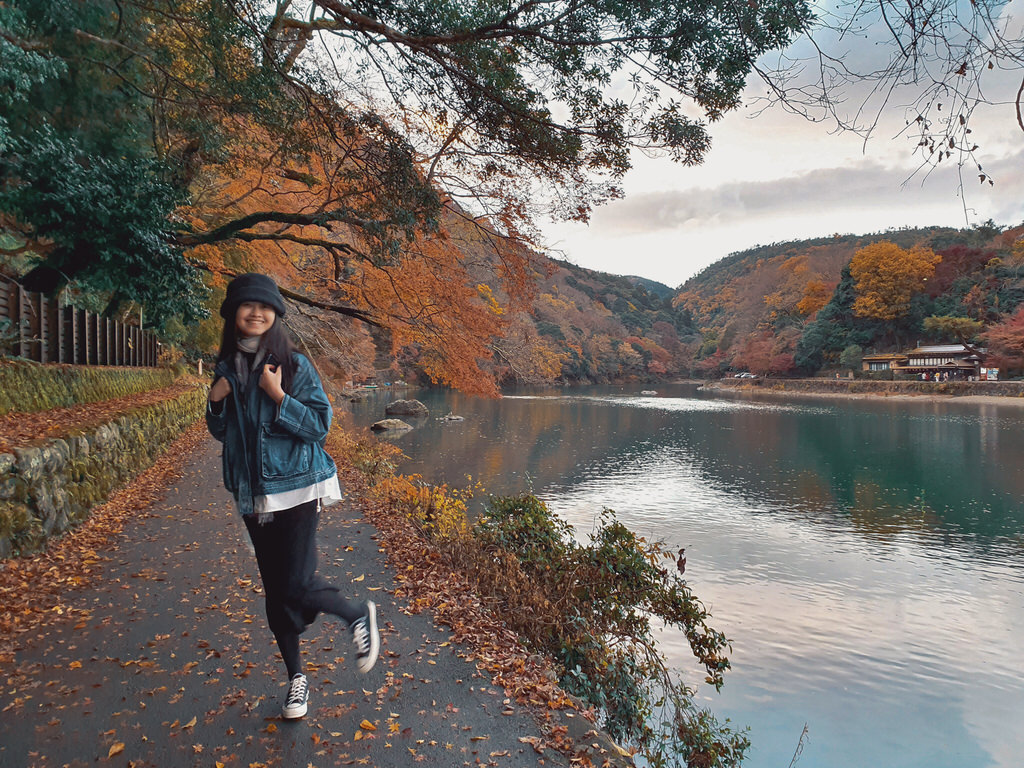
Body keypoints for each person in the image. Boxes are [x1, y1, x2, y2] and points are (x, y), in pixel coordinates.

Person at [206, 273, 379, 720]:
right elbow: (222, 434)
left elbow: (320, 426)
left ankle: (355, 613)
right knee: (276, 591)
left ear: (276, 315)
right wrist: (217, 403)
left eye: (264, 307)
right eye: (247, 306)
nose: (256, 313)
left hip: (298, 486)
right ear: (234, 315)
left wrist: (278, 396)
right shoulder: (226, 368)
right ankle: (296, 680)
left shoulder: (294, 365)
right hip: (252, 494)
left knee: (297, 582)